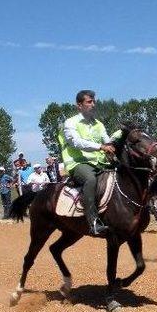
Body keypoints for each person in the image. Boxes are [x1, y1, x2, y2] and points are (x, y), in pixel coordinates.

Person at [58, 89, 116, 235]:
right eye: (89, 102)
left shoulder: (99, 124)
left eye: (94, 101)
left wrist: (114, 148)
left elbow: (107, 141)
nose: (93, 104)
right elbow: (76, 142)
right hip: (78, 163)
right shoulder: (70, 122)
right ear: (79, 105)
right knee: (90, 180)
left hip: (99, 163)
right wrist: (101, 147)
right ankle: (94, 222)